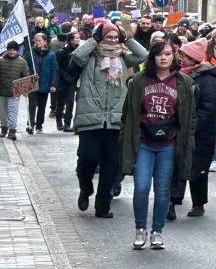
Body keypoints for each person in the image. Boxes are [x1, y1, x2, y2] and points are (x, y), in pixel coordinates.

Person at [119, 40, 196, 251]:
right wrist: (125, 136)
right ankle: (140, 229)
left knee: (163, 190)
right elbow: (128, 113)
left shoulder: (184, 82)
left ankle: (157, 232)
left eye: (168, 54)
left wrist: (187, 140)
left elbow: (189, 117)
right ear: (152, 57)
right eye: (159, 54)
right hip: (144, 141)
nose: (163, 58)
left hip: (169, 143)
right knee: (142, 187)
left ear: (174, 56)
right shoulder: (139, 81)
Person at [71, 20, 149, 216]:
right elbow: (76, 56)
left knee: (110, 165)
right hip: (91, 117)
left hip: (115, 120)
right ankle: (85, 189)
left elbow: (143, 55)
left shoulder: (123, 57)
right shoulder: (90, 56)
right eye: (109, 37)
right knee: (87, 159)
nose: (113, 40)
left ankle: (102, 206)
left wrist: (127, 39)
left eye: (116, 37)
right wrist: (94, 39)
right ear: (100, 37)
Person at [172, 34, 216, 217]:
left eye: (184, 56)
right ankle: (172, 201)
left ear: (193, 59)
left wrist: (192, 126)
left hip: (201, 133)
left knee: (198, 169)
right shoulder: (177, 74)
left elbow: (209, 109)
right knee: (176, 166)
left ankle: (198, 203)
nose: (180, 59)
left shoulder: (207, 78)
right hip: (179, 128)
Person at [0, 40, 30, 140]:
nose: (11, 52)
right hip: (1, 91)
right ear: (7, 50)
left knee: (13, 112)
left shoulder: (22, 62)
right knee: (2, 112)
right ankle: (4, 127)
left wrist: (26, 89)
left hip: (14, 93)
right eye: (10, 50)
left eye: (14, 50)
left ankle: (12, 130)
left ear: (17, 50)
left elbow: (26, 76)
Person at [27, 33, 57, 135]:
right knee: (32, 105)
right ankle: (31, 124)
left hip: (45, 83)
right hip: (32, 83)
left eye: (39, 40)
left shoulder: (51, 55)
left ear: (44, 42)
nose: (37, 43)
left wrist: (53, 84)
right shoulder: (31, 53)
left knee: (41, 106)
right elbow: (25, 66)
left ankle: (39, 125)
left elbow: (54, 70)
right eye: (36, 41)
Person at [52, 30, 79, 131]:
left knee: (70, 101)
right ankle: (59, 123)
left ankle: (67, 124)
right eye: (77, 38)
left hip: (72, 80)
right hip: (62, 80)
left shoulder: (79, 51)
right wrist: (65, 76)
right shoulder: (61, 52)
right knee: (60, 102)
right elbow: (57, 67)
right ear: (71, 40)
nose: (79, 39)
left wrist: (74, 76)